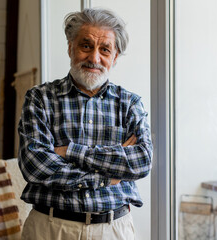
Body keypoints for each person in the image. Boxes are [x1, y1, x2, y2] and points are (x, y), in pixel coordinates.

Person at [18, 8, 152, 240]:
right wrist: (109, 176)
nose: (94, 58)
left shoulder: (130, 104)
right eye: (86, 46)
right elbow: (36, 166)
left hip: (113, 229)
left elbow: (141, 162)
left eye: (105, 49)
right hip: (50, 228)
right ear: (70, 47)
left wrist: (70, 151)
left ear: (115, 57)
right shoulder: (39, 98)